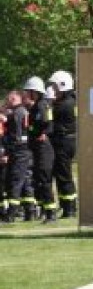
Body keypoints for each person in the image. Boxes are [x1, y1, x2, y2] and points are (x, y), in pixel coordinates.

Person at [24, 76, 57, 223]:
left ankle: (51, 212)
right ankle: (45, 210)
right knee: (39, 180)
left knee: (45, 180)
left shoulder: (43, 105)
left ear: (34, 91)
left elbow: (47, 123)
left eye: (29, 91)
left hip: (43, 148)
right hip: (37, 148)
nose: (27, 94)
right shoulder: (37, 106)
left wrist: (43, 133)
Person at [47, 70, 77, 218]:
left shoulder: (64, 105)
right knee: (63, 174)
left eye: (55, 87)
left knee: (64, 175)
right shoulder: (71, 100)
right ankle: (68, 206)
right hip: (67, 141)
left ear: (63, 86)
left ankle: (69, 208)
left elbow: (51, 120)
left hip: (63, 142)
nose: (53, 90)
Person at [2, 90, 33, 222]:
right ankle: (30, 211)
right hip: (24, 150)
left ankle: (11, 214)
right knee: (25, 180)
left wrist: (8, 151)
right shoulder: (20, 112)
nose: (9, 100)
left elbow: (17, 137)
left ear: (19, 98)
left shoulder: (18, 113)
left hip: (19, 150)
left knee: (15, 180)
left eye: (12, 98)